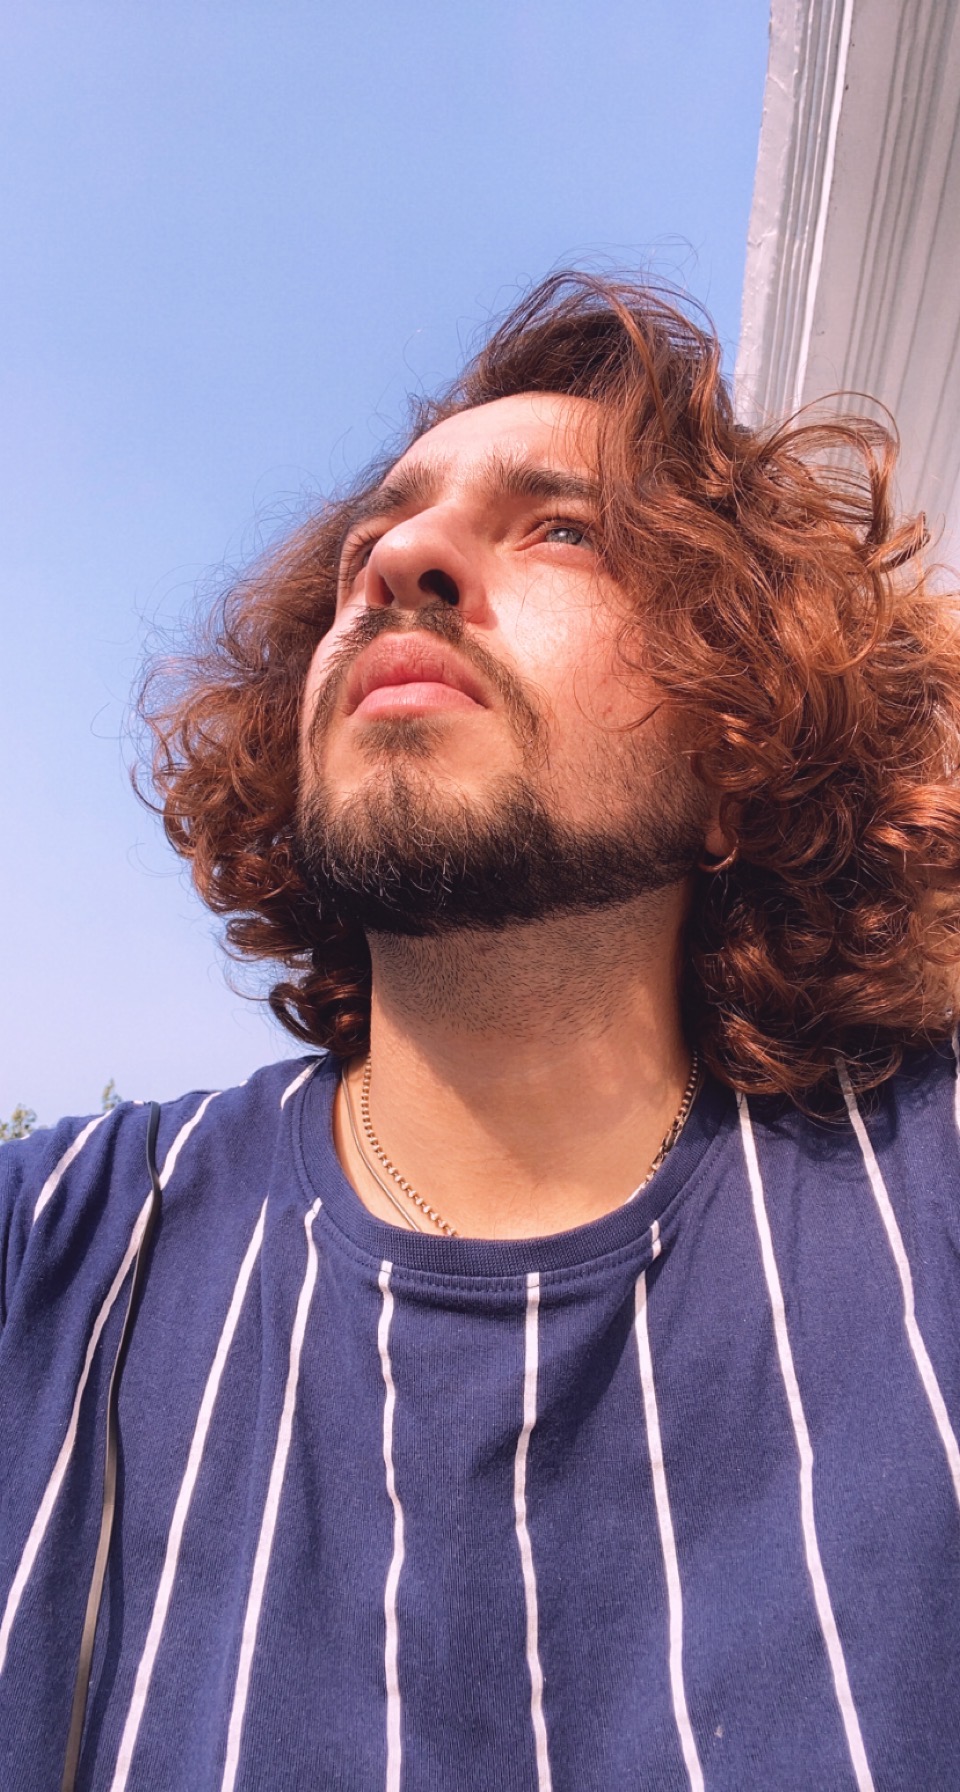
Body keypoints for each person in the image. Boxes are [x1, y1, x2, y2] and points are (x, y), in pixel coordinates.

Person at [2, 272, 959, 1792]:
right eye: (371, 544)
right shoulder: (52, 1251)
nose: (399, 560)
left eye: (562, 528)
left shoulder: (928, 1191)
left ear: (740, 753)